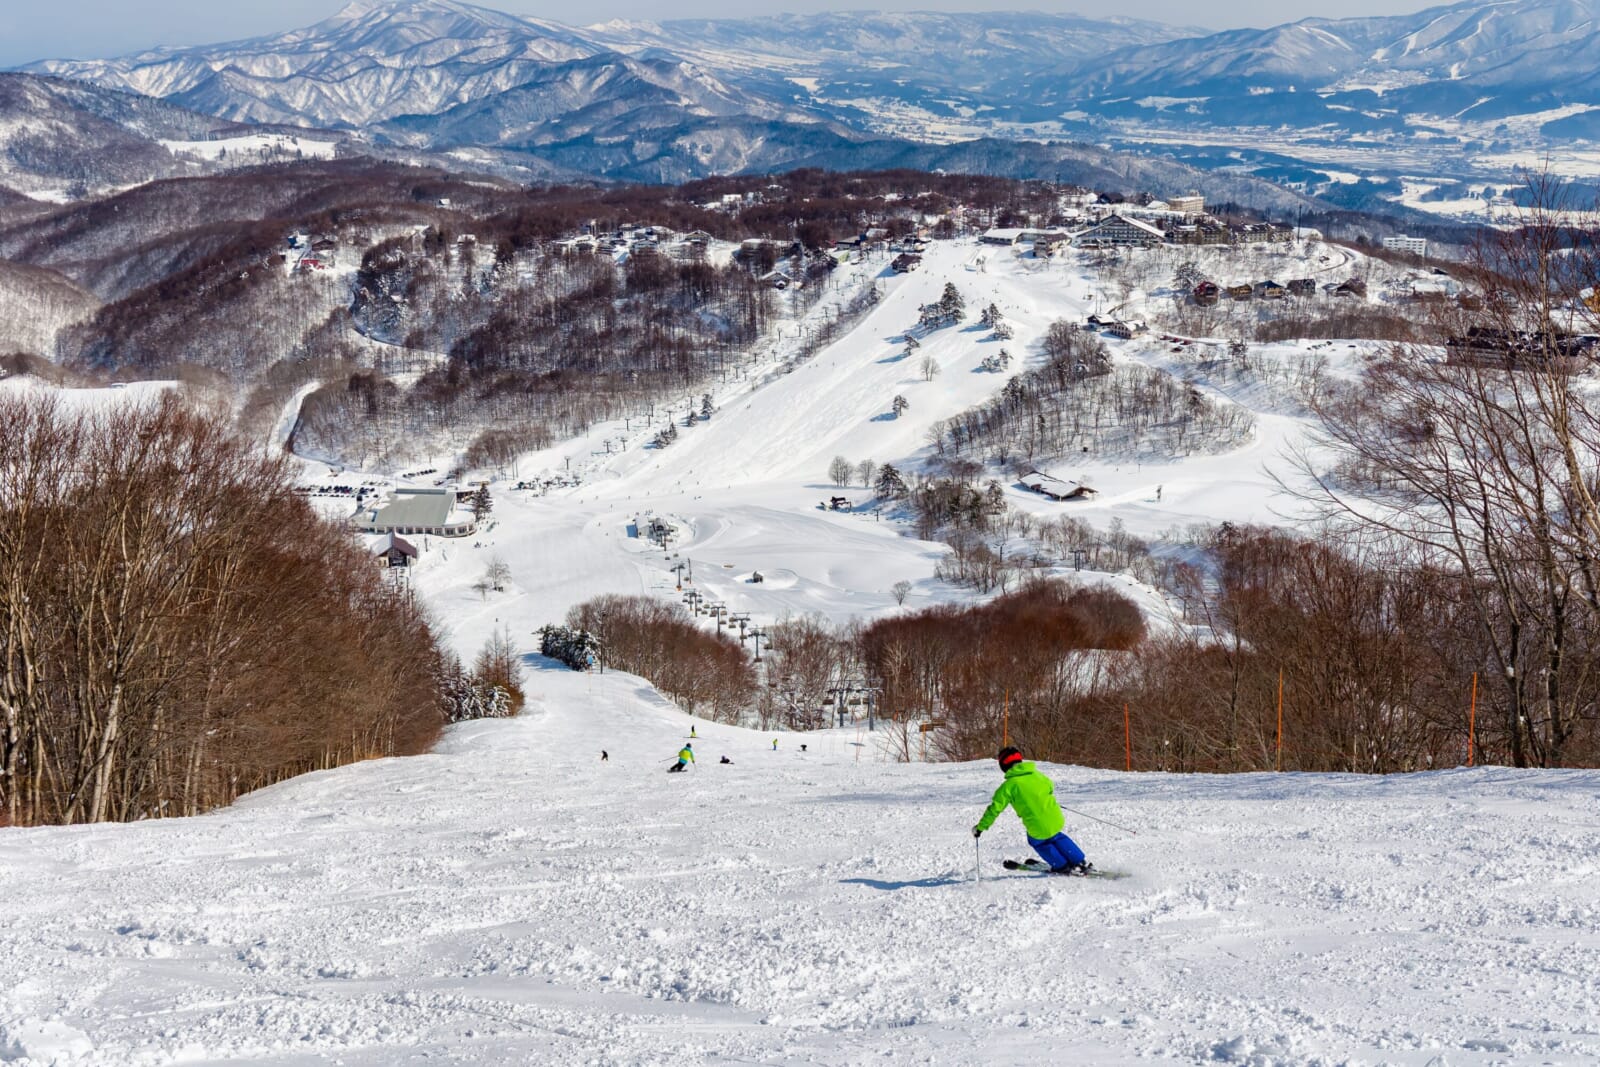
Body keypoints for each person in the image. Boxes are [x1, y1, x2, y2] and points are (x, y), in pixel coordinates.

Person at [972, 747, 1091, 875]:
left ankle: (1061, 865)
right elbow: (1050, 786)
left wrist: (980, 828)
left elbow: (994, 810)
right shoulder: (1036, 774)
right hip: (1055, 816)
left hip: (1037, 825)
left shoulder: (1009, 785)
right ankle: (1078, 860)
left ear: (1003, 766)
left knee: (1038, 841)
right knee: (1056, 836)